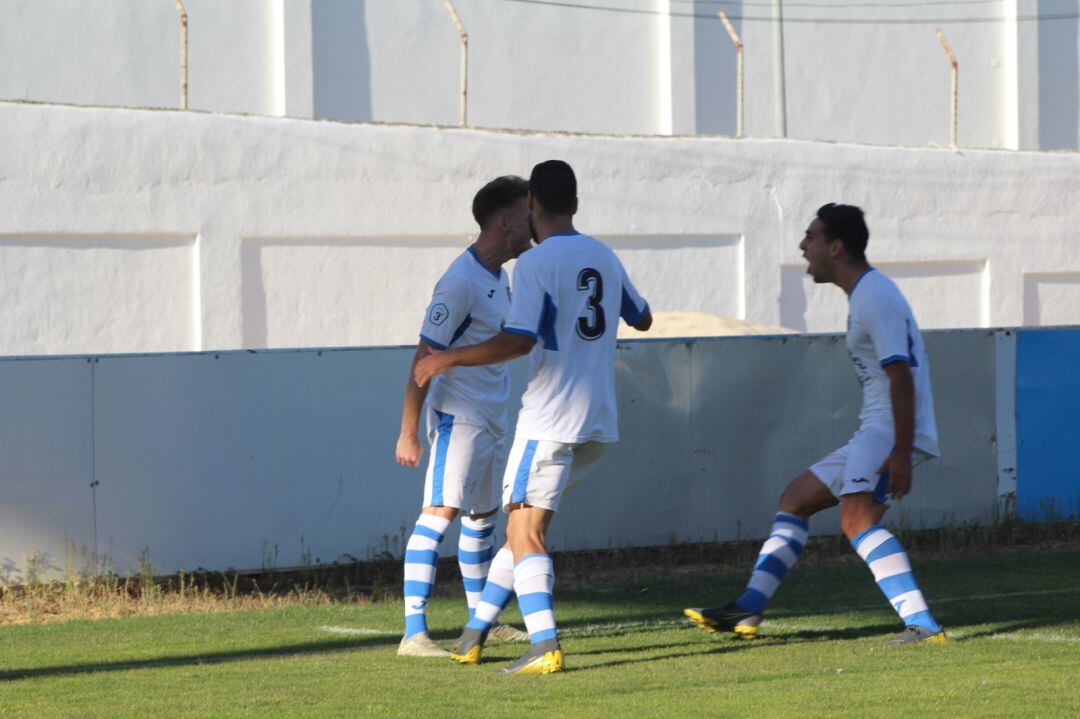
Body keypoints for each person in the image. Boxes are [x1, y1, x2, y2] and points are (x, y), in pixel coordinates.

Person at [414, 160, 653, 674]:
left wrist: (448, 357)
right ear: (576, 203)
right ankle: (474, 634)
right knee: (521, 526)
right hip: (599, 424)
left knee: (526, 536)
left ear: (533, 206)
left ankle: (545, 645)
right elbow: (643, 315)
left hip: (549, 419)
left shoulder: (536, 265)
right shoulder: (604, 255)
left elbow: (518, 341)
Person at [685, 204, 946, 647]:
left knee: (857, 521)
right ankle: (748, 607)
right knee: (795, 499)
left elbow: (900, 375)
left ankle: (923, 626)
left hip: (888, 432)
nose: (803, 246)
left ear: (836, 246)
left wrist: (900, 451)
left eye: (810, 237)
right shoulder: (867, 293)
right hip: (879, 428)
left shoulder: (874, 296)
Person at [395, 176, 533, 657]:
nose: (533, 222)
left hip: (492, 416)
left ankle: (482, 621)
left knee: (481, 521)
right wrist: (408, 430)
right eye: (526, 213)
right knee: (440, 515)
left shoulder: (500, 276)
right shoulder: (460, 281)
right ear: (503, 221)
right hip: (459, 417)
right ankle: (414, 633)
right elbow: (423, 357)